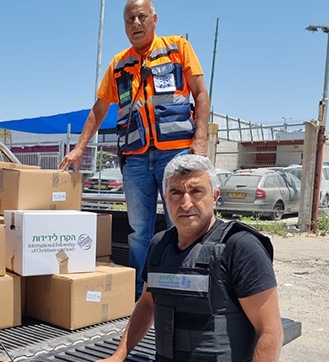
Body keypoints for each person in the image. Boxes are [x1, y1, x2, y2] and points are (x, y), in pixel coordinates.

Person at [58, 0, 210, 297]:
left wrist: (200, 141)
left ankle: (180, 288)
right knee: (139, 231)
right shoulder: (119, 65)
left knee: (179, 223)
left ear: (154, 20)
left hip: (176, 154)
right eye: (130, 19)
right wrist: (78, 148)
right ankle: (143, 294)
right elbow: (98, 110)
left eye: (141, 17)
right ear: (125, 25)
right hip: (136, 159)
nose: (136, 23)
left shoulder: (178, 48)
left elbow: (201, 93)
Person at [98, 154, 283, 362]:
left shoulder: (240, 247)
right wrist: (118, 355)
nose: (186, 203)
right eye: (175, 193)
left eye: (196, 191)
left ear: (214, 196)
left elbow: (270, 332)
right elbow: (148, 303)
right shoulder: (159, 245)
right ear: (166, 199)